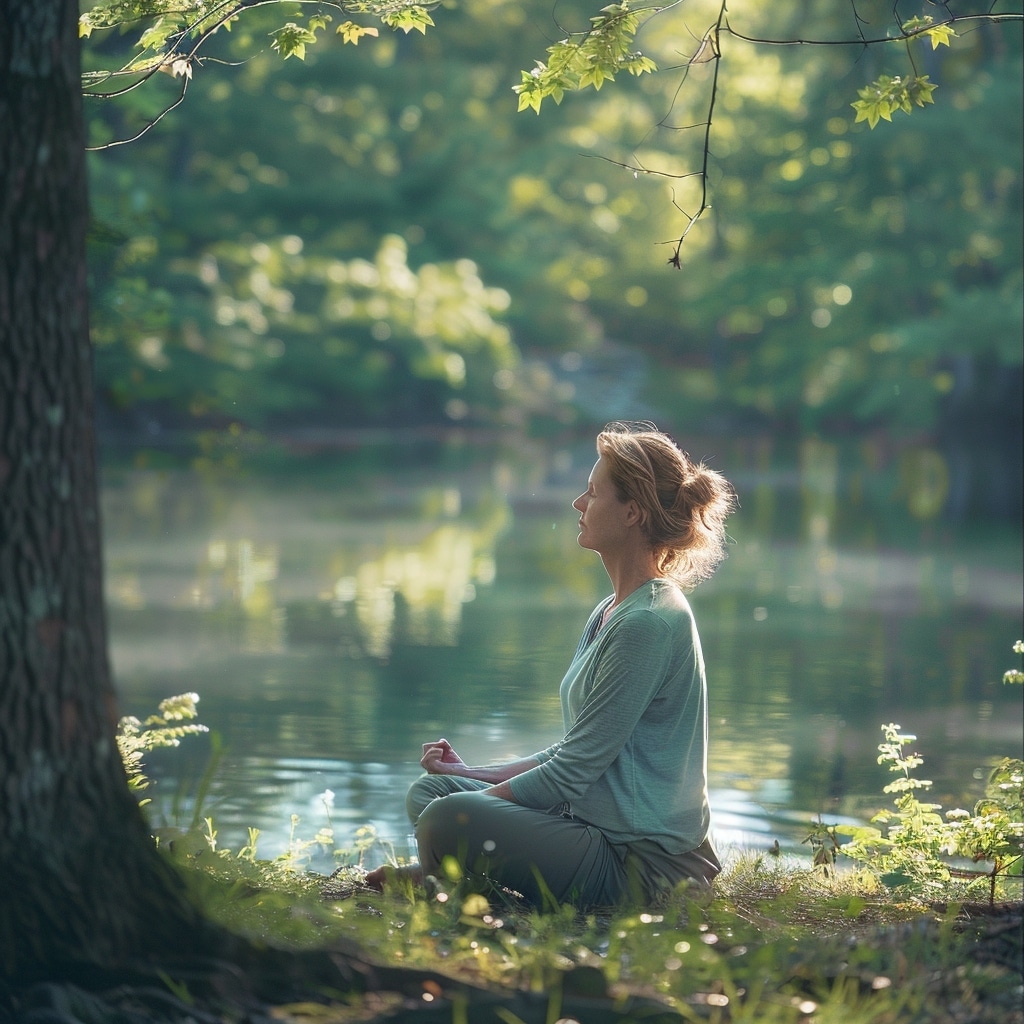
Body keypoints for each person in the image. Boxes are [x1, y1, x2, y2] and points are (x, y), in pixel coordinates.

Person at [356, 421, 736, 909]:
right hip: (592, 828)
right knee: (433, 791)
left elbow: (569, 774)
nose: (578, 504)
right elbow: (577, 751)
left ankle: (439, 876)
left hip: (645, 867)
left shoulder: (650, 622)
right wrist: (473, 774)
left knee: (445, 816)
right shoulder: (613, 610)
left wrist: (464, 808)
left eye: (593, 493)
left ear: (632, 513)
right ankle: (446, 870)